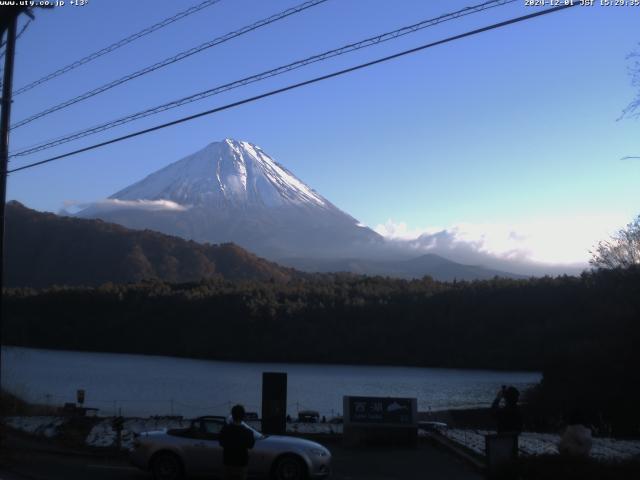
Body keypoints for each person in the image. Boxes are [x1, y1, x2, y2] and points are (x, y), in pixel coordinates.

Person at [219, 404, 255, 480]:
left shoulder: (225, 429)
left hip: (227, 462)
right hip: (242, 463)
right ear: (243, 416)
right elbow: (251, 445)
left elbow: (221, 443)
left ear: (232, 415)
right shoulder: (248, 432)